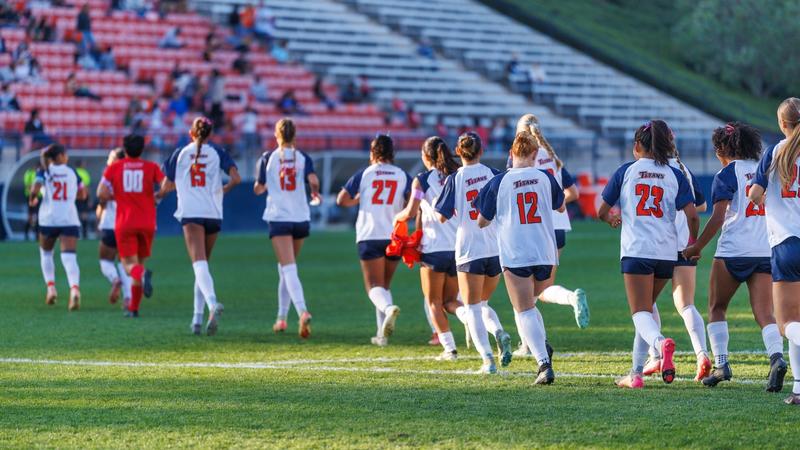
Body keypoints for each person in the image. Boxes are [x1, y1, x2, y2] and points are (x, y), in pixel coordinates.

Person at [683, 122, 787, 391]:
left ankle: (721, 365)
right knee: (765, 312)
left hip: (733, 251)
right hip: (765, 249)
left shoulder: (727, 174)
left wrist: (697, 246)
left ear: (722, 149)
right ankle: (776, 357)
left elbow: (718, 217)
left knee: (717, 307)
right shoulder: (766, 169)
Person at [598, 119, 699, 389]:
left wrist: (611, 219)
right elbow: (692, 215)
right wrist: (693, 244)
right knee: (646, 313)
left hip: (637, 249)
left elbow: (601, 210)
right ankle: (636, 374)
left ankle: (661, 344)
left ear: (637, 146)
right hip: (667, 253)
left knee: (640, 313)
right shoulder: (674, 173)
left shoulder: (626, 171)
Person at [476, 131, 565, 384]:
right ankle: (542, 347)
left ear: (510, 154)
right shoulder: (545, 177)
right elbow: (560, 206)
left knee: (523, 308)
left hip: (517, 251)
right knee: (532, 304)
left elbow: (482, 221)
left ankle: (543, 363)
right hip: (545, 250)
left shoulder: (499, 181)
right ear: (535, 155)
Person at [435, 132, 513, 373]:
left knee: (472, 309)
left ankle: (488, 359)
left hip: (469, 250)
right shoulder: (492, 174)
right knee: (482, 303)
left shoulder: (455, 178)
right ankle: (498, 330)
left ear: (459, 152)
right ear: (480, 151)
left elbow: (441, 215)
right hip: (494, 249)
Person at [161, 117, 241, 335]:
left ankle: (212, 303)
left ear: (191, 133)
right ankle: (196, 319)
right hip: (213, 213)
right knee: (203, 264)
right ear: (210, 134)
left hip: (192, 213)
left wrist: (157, 195)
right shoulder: (218, 152)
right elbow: (236, 178)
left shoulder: (180, 153)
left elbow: (166, 186)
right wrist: (223, 191)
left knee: (199, 264)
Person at [394, 136, 471, 360]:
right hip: (459, 248)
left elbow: (410, 212)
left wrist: (395, 219)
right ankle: (469, 318)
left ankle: (450, 349)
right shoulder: (458, 174)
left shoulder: (422, 180)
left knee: (434, 302)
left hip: (434, 248)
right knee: (450, 302)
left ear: (426, 156)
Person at [642, 143, 711, 381]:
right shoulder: (683, 170)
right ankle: (701, 354)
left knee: (644, 302)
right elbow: (700, 206)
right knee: (686, 305)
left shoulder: (648, 170)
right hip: (685, 243)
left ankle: (655, 355)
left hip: (658, 244)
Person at [747, 97, 800, 405]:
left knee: (785, 324)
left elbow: (755, 193)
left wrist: (768, 205)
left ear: (783, 124)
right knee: (797, 319)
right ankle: (798, 388)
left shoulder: (775, 152)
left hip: (786, 242)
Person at [515, 114, 588, 334]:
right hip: (557, 228)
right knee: (541, 291)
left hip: (531, 229)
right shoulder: (551, 156)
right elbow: (573, 193)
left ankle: (529, 345)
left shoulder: (520, 158)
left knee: (523, 295)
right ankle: (570, 298)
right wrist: (551, 205)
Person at [336, 135, 411, 346]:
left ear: (373, 153)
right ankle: (382, 335)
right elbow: (412, 203)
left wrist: (360, 198)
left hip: (370, 233)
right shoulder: (402, 175)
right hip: (394, 235)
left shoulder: (366, 174)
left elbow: (342, 199)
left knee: (373, 287)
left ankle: (388, 310)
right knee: (384, 286)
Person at [254, 118, 320, 337]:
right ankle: (281, 319)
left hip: (280, 217)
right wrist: (314, 193)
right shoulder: (303, 158)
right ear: (295, 135)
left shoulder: (268, 158)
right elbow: (313, 180)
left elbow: (259, 188)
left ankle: (302, 311)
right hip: (300, 217)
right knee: (285, 268)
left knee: (289, 268)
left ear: (276, 135)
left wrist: (262, 185)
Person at [98, 134, 164, 318]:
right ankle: (134, 308)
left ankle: (142, 275)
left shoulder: (115, 168)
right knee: (140, 262)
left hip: (125, 222)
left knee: (129, 265)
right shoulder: (151, 167)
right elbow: (167, 185)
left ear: (125, 149)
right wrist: (156, 197)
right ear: (142, 149)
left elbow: (101, 192)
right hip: (148, 222)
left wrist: (117, 196)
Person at [29, 144, 88, 310]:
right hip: (69, 218)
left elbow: (35, 188)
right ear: (61, 156)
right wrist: (69, 197)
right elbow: (83, 194)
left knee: (46, 253)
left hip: (48, 219)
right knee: (69, 257)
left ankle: (51, 288)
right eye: (66, 154)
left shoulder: (45, 172)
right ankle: (75, 290)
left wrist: (33, 198)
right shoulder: (73, 172)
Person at [96, 148, 132, 308]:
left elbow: (101, 196)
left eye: (110, 157)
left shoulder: (109, 174)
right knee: (124, 262)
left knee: (105, 261)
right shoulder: (132, 175)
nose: (108, 161)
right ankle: (128, 298)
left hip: (110, 224)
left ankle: (114, 279)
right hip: (128, 224)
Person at [23, 163, 42, 240]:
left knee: (38, 215)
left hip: (39, 197)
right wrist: (35, 189)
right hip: (30, 197)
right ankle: (26, 232)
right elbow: (28, 186)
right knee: (31, 215)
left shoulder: (40, 174)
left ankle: (37, 234)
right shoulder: (29, 173)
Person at [75, 160, 91, 239]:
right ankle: (84, 233)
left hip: (74, 197)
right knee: (84, 215)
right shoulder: (84, 173)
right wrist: (88, 199)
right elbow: (86, 187)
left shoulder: (73, 172)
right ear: (81, 165)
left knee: (75, 215)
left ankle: (76, 233)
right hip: (83, 197)